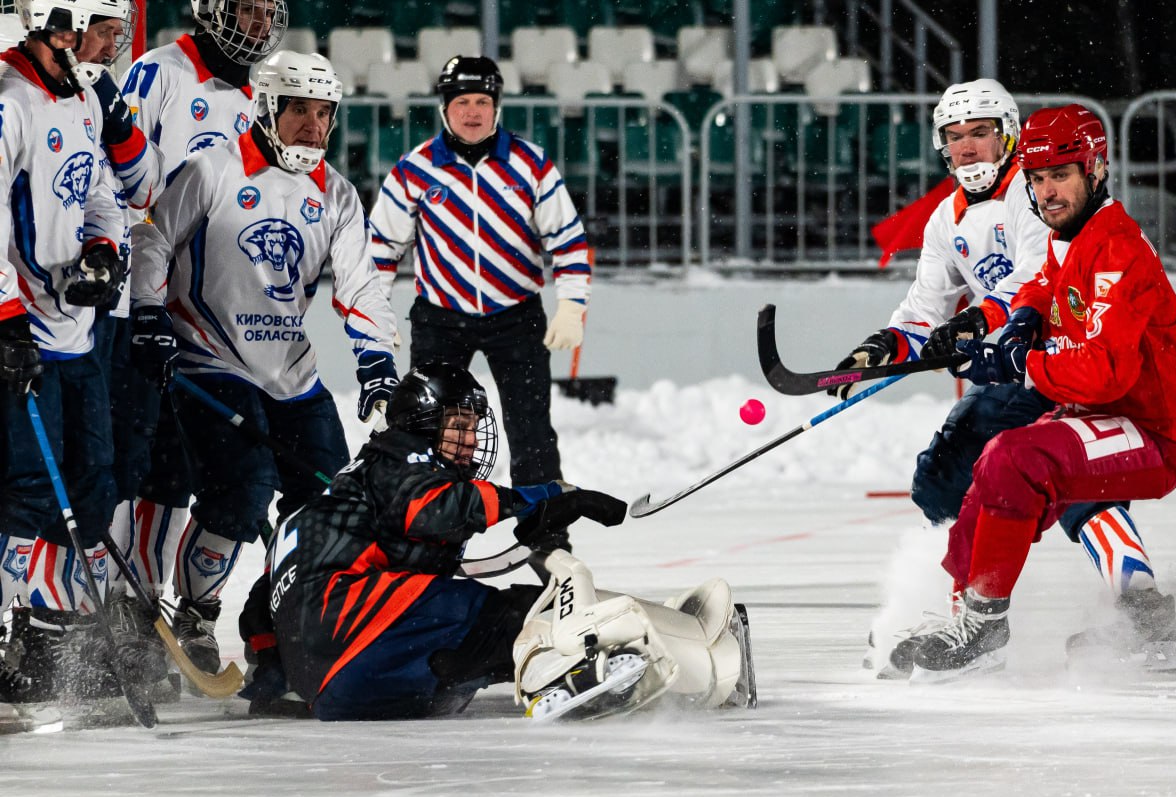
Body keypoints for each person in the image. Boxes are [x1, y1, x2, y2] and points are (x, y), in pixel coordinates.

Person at [830, 80, 1176, 677]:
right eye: (955, 136)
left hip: (1103, 394)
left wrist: (993, 332)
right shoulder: (987, 217)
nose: (967, 147)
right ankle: (966, 614)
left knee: (1033, 468)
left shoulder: (1057, 208)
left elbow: (1053, 303)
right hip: (1057, 376)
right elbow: (991, 293)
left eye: (980, 132)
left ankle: (1011, 622)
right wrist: (886, 345)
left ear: (1009, 135)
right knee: (951, 476)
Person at [239, 362, 756, 721]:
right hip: (366, 635)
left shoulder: (330, 503)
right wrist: (544, 499)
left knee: (491, 635)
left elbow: (261, 608)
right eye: (457, 425)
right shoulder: (398, 458)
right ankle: (594, 671)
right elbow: (438, 508)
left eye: (471, 426)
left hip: (337, 692)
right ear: (421, 425)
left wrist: (271, 681)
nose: (469, 439)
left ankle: (625, 650)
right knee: (520, 617)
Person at [129, 49, 399, 675]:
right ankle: (196, 614)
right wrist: (147, 313)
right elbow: (153, 239)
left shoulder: (336, 194)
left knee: (331, 499)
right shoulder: (211, 169)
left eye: (324, 113)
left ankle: (294, 622)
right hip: (209, 361)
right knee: (243, 489)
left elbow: (361, 288)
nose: (313, 125)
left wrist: (377, 363)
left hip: (291, 372)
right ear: (266, 109)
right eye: (299, 109)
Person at [367, 56, 592, 549]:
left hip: (516, 317)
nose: (473, 112)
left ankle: (547, 537)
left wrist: (572, 304)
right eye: (462, 102)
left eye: (482, 102)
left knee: (531, 431)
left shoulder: (531, 163)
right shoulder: (415, 169)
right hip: (440, 319)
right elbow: (379, 248)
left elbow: (568, 239)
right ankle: (424, 532)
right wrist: (375, 317)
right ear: (445, 109)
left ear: (497, 107)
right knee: (428, 430)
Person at [113, 0, 288, 627]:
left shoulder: (264, 97)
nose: (259, 24)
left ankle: (180, 611)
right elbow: (123, 178)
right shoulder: (159, 72)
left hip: (215, 322)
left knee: (211, 472)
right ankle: (129, 607)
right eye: (247, 11)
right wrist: (143, 292)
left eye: (267, 13)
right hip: (144, 309)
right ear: (212, 10)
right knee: (146, 466)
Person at [0, 0, 153, 704]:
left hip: (76, 334)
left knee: (90, 484)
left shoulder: (84, 98)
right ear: (61, 25)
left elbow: (101, 194)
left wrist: (102, 248)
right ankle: (21, 633)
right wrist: (5, 318)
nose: (111, 45)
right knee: (32, 492)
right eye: (104, 31)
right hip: (19, 334)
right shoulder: (10, 102)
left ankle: (58, 635)